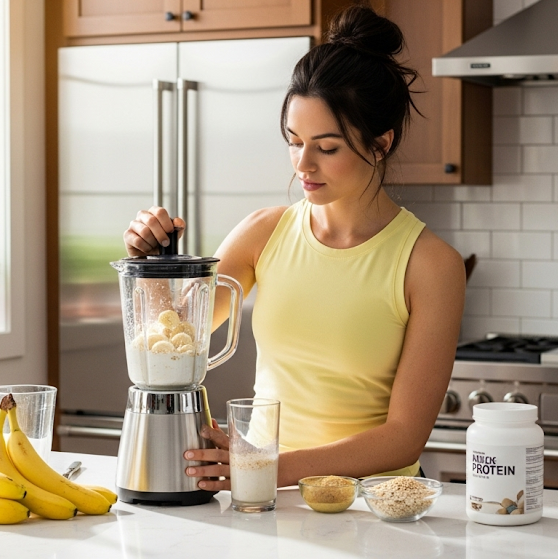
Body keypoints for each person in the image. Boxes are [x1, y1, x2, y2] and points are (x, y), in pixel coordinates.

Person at [123, 4, 465, 490]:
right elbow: (178, 337)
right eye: (294, 140)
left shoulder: (429, 264)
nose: (303, 164)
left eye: (327, 147)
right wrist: (149, 261)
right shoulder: (264, 233)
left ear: (381, 144)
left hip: (372, 505)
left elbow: (404, 437)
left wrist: (266, 468)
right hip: (262, 498)